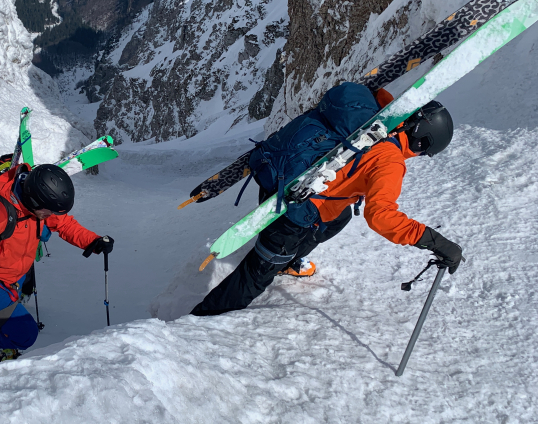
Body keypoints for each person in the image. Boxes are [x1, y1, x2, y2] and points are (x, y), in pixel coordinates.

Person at [191, 95, 464, 316]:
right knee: (255, 275)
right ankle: (201, 320)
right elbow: (381, 216)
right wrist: (435, 242)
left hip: (278, 177)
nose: (417, 155)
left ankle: (289, 261)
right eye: (422, 151)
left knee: (339, 216)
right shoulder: (390, 160)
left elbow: (372, 92)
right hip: (293, 212)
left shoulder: (375, 114)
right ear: (421, 140)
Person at [0, 163, 115, 361]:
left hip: (14, 276)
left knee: (13, 322)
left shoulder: (38, 204)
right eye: (48, 212)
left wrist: (93, 241)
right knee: (26, 334)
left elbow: (64, 223)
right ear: (33, 201)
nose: (51, 216)